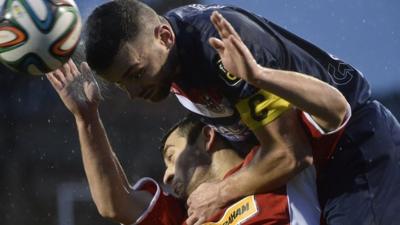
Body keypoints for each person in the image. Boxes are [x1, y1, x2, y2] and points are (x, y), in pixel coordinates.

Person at [64, 1, 399, 224]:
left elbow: (297, 148)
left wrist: (221, 191)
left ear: (165, 37)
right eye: (123, 85)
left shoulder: (219, 51)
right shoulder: (197, 208)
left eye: (136, 74)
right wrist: (86, 118)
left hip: (356, 154)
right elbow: (114, 205)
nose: (134, 93)